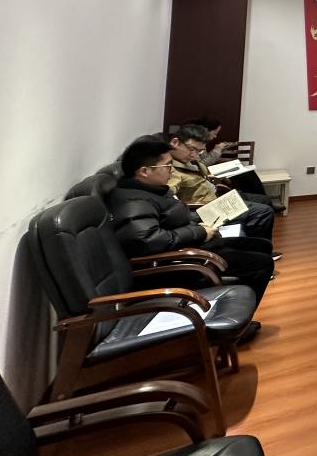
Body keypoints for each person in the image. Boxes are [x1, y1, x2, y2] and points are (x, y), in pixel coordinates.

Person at [106, 138, 274, 322]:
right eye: (167, 165)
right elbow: (149, 240)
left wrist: (200, 223)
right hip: (177, 262)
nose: (171, 170)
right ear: (144, 171)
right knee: (262, 263)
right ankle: (235, 321)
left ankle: (237, 307)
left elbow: (174, 217)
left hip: (192, 246)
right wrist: (200, 232)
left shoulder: (152, 190)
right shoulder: (134, 202)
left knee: (262, 245)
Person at [167, 125, 276, 241]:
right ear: (175, 143)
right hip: (205, 209)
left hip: (215, 199)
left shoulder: (188, 161)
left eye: (199, 151)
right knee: (263, 212)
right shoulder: (169, 169)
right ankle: (257, 245)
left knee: (263, 200)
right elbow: (168, 198)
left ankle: (255, 243)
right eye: (191, 149)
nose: (194, 155)